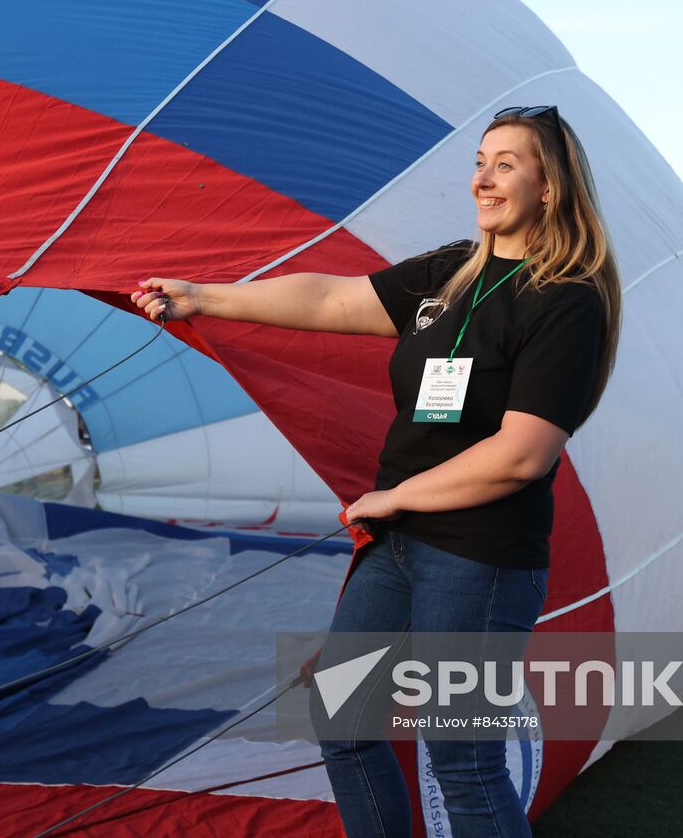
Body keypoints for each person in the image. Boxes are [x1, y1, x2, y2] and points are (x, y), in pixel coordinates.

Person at [131, 105, 620, 837]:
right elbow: (330, 296)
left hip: (478, 558)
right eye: (481, 161)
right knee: (342, 714)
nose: (483, 178)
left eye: (506, 164)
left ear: (549, 187)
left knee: (462, 754)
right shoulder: (452, 272)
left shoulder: (567, 301)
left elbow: (523, 453)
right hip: (398, 546)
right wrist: (202, 296)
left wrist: (393, 497)